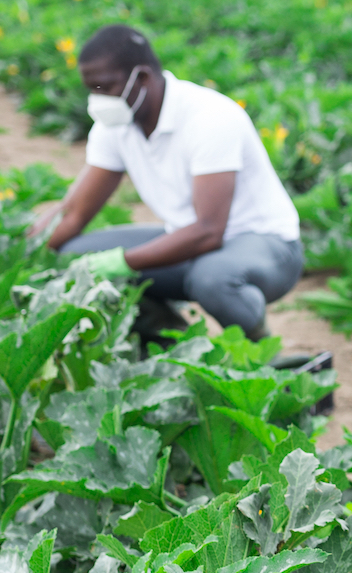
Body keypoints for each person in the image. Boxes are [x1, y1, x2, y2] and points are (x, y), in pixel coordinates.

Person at [33, 24, 303, 342]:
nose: (97, 99)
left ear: (143, 78)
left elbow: (208, 231)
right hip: (188, 243)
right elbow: (76, 213)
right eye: (91, 89)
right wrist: (34, 257)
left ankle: (261, 350)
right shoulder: (114, 126)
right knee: (73, 257)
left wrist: (121, 261)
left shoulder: (209, 117)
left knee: (213, 278)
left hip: (264, 245)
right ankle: (173, 342)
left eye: (105, 87)